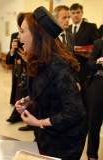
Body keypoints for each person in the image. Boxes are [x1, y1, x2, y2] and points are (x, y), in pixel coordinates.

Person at [15, 7, 88, 160]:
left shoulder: (57, 65)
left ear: (36, 35)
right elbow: (47, 87)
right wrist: (30, 99)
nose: (19, 37)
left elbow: (74, 112)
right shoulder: (38, 60)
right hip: (45, 133)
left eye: (22, 31)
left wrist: (38, 122)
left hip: (66, 139)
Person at [66, 3, 99, 109]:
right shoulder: (67, 28)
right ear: (70, 14)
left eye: (78, 12)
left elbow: (97, 47)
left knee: (85, 100)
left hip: (85, 69)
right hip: (70, 69)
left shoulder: (90, 27)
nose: (75, 15)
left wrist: (83, 51)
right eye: (73, 13)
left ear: (82, 13)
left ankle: (87, 122)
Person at [52, 5, 81, 91]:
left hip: (69, 80)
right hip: (54, 82)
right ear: (55, 19)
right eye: (64, 18)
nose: (68, 20)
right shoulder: (50, 37)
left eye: (68, 17)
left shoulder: (70, 37)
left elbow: (72, 60)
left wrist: (76, 80)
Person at [86, 38, 103, 160]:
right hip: (98, 83)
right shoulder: (98, 43)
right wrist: (99, 61)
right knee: (94, 121)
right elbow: (90, 64)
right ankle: (92, 155)